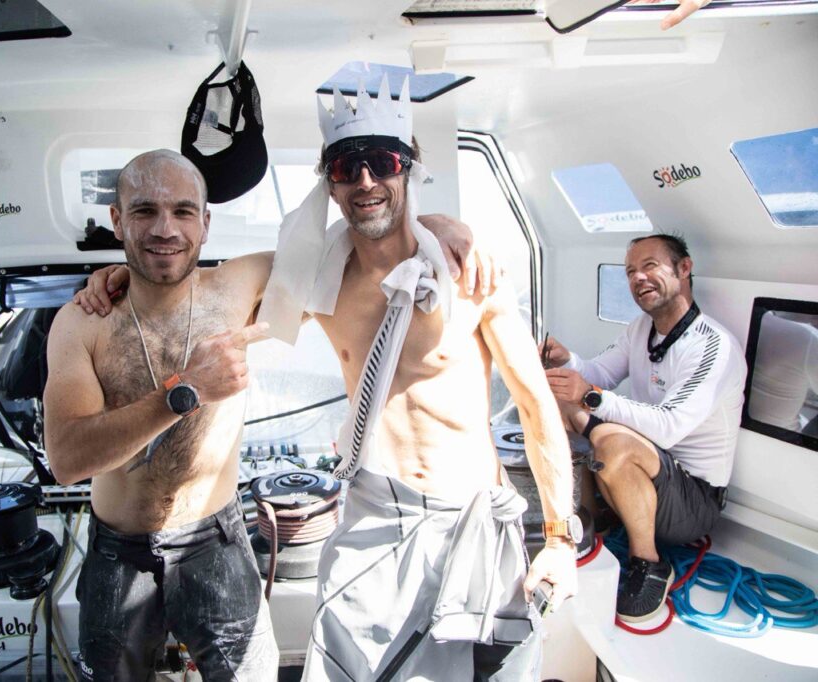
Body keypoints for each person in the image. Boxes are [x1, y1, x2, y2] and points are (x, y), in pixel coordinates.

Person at [77, 79, 577, 680]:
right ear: (330, 184)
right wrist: (119, 276)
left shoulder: (469, 276)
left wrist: (559, 538)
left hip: (471, 513)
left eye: (383, 162)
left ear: (409, 170)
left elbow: (535, 406)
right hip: (375, 515)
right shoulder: (320, 281)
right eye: (346, 166)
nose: (365, 180)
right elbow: (199, 294)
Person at [44, 150, 279, 680]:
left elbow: (346, 256)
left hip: (215, 540)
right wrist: (185, 389)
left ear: (206, 222)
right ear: (117, 220)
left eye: (183, 211)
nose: (165, 229)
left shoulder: (238, 287)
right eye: (145, 210)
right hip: (118, 550)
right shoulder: (83, 323)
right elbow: (67, 459)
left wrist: (434, 227)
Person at [541, 233, 747, 623]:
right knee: (558, 398)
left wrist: (593, 398)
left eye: (650, 266)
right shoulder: (641, 329)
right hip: (652, 470)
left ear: (683, 269)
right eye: (630, 271)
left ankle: (648, 564)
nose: (638, 278)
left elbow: (668, 428)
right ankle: (593, 518)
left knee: (613, 441)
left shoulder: (713, 346)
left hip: (693, 501)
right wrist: (568, 361)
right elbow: (599, 373)